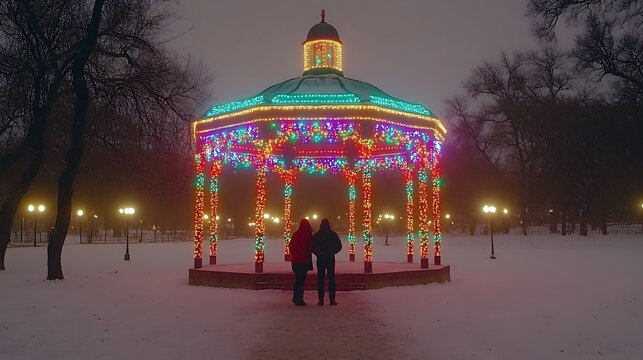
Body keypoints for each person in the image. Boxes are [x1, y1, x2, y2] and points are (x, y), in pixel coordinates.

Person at [312, 218, 342, 305]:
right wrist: (332, 251)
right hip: (330, 258)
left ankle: (321, 299)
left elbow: (312, 246)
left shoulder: (317, 235)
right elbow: (339, 246)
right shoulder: (332, 234)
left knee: (320, 279)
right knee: (331, 279)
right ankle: (332, 299)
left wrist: (318, 253)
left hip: (321, 259)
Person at [288, 219, 313, 306]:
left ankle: (296, 297)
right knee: (301, 280)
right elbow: (311, 246)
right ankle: (299, 299)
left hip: (296, 260)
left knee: (298, 280)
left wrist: (296, 254)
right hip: (304, 260)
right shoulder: (309, 235)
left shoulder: (296, 234)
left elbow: (291, 246)